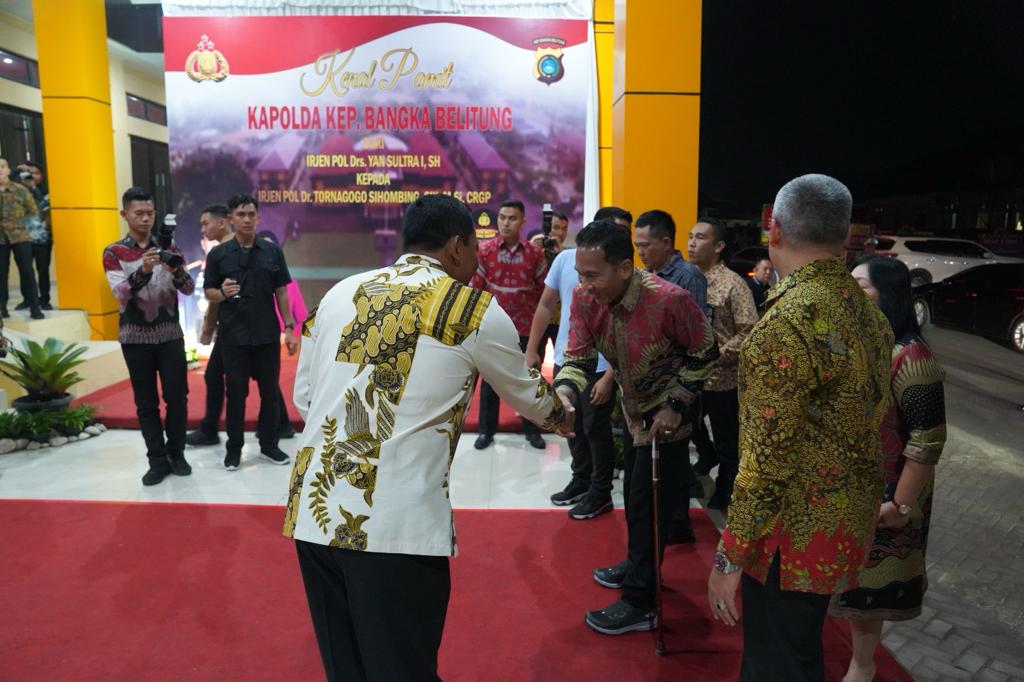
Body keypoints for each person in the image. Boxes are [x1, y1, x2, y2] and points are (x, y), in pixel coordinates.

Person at [284, 194, 574, 682]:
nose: (478, 257)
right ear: (457, 246)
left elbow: (306, 398)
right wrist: (566, 408)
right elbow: (531, 399)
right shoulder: (471, 309)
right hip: (394, 525)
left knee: (346, 668)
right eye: (475, 246)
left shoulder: (340, 293)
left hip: (315, 511)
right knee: (403, 668)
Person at [706, 174, 893, 682]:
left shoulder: (785, 324)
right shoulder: (868, 313)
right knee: (799, 652)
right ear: (845, 235)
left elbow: (765, 465)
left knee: (778, 664)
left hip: (788, 538)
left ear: (776, 231)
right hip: (843, 522)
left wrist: (729, 558)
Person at [554, 220, 718, 635]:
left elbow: (706, 352)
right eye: (580, 274)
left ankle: (641, 601)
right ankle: (637, 563)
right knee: (631, 495)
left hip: (669, 421)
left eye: (593, 275)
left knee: (650, 506)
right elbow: (578, 358)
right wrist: (564, 395)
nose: (584, 285)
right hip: (631, 412)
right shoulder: (585, 298)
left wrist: (676, 404)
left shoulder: (669, 299)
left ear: (625, 268)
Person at [832, 256, 947, 682]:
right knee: (851, 580)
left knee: (871, 585)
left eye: (860, 286)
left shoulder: (912, 358)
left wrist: (900, 505)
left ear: (889, 294)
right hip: (854, 489)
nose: (849, 293)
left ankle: (862, 665)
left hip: (890, 495)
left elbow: (927, 440)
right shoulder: (864, 345)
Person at [103, 187, 194, 485]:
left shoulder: (169, 246)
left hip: (170, 336)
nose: (145, 218)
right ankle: (157, 460)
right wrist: (143, 269)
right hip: (134, 338)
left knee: (177, 398)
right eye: (138, 213)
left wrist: (174, 268)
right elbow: (120, 293)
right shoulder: (114, 252)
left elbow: (189, 288)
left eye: (149, 213)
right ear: (124, 214)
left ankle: (177, 454)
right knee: (146, 403)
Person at [526, 221, 617, 520]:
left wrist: (610, 375)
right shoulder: (565, 261)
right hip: (569, 359)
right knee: (571, 425)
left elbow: (624, 329)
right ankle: (581, 480)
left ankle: (600, 492)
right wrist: (532, 348)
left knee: (596, 430)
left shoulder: (617, 273)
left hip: (602, 365)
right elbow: (545, 305)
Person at [203, 193, 298, 470]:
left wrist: (289, 327)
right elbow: (209, 291)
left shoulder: (272, 251)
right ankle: (234, 449)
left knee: (269, 393)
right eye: (241, 214)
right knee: (236, 394)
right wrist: (222, 293)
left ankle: (269, 445)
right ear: (230, 218)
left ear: (258, 217)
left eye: (251, 214)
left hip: (267, 335)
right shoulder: (218, 254)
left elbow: (282, 291)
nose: (246, 219)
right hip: (233, 337)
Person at [633, 209, 709, 540]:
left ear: (666, 242)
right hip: (652, 384)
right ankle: (668, 521)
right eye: (637, 245)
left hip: (678, 384)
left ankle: (678, 523)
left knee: (674, 458)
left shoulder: (687, 277)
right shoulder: (646, 275)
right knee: (660, 460)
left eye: (645, 245)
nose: (640, 251)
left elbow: (699, 339)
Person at [687, 218, 759, 510]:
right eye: (690, 236)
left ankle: (726, 488)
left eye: (700, 237)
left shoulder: (733, 284)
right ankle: (707, 455)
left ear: (718, 246)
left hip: (722, 379)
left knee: (727, 439)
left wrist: (718, 355)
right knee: (688, 425)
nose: (692, 243)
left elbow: (749, 332)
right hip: (689, 376)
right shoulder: (685, 278)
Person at [469, 198, 548, 450]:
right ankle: (486, 431)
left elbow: (544, 294)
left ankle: (532, 430)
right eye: (502, 217)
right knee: (490, 382)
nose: (505, 223)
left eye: (512, 218)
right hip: (493, 329)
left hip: (527, 329)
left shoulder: (535, 254)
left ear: (523, 221)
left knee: (528, 381)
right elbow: (477, 290)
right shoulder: (485, 250)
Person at [0, 157, 43, 319]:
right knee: (1, 275)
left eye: (2, 167)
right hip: (0, 239)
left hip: (20, 237)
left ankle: (35, 308)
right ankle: (2, 309)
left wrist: (18, 222)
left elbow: (32, 210)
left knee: (27, 272)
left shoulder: (20, 190)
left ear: (8, 170)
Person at [16, 161, 52, 311]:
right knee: (25, 270)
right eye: (29, 173)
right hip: (22, 237)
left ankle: (44, 299)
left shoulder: (47, 192)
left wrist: (34, 188)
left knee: (43, 270)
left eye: (36, 173)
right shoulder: (17, 191)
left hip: (43, 237)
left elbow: (45, 207)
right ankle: (28, 299)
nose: (32, 176)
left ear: (42, 176)